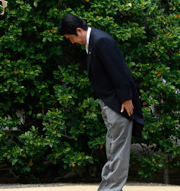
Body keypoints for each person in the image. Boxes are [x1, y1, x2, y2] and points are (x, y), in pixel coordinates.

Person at [58, 14, 144, 191]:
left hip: (118, 103)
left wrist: (127, 100)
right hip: (109, 101)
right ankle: (107, 187)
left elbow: (119, 72)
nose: (72, 42)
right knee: (112, 146)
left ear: (79, 31)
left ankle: (112, 189)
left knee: (118, 149)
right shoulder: (93, 41)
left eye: (71, 38)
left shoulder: (101, 41)